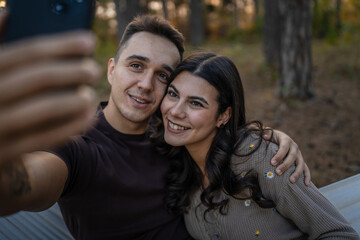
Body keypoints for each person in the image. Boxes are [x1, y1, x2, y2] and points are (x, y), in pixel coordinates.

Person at [1, 15, 310, 239]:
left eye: (163, 75)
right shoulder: (78, 146)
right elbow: (26, 182)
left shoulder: (174, 133)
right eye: (136, 65)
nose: (146, 85)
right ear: (112, 69)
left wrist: (270, 138)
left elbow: (221, 130)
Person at [153, 52, 359, 239]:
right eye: (173, 94)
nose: (175, 111)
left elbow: (339, 234)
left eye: (195, 103)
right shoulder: (177, 164)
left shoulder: (261, 158)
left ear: (223, 116)